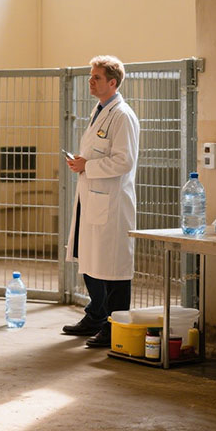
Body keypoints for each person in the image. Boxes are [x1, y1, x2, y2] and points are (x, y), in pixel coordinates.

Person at [62, 55, 140, 348]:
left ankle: (115, 325)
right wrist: (83, 164)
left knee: (114, 268)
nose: (90, 81)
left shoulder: (122, 116)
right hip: (92, 197)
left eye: (96, 77)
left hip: (112, 202)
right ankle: (95, 315)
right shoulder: (99, 110)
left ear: (113, 82)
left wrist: (87, 166)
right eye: (90, 76)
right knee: (90, 260)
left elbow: (124, 160)